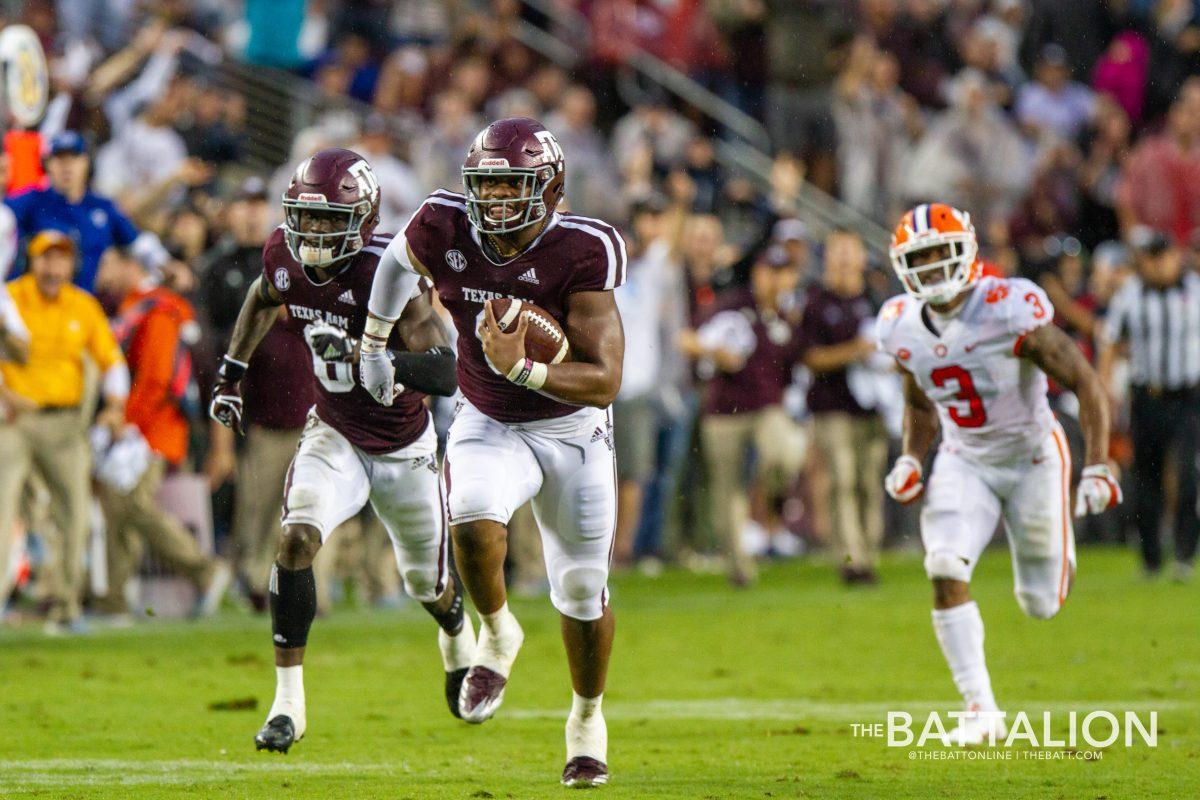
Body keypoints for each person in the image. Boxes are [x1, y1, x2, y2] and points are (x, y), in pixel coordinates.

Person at [361, 118, 626, 788]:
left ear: (549, 187)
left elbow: (605, 380)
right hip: (490, 419)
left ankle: (586, 718)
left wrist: (526, 370)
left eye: (513, 185)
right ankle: (498, 630)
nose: (498, 200)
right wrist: (372, 342)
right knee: (472, 516)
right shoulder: (443, 226)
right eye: (487, 184)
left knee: (580, 593)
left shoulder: (583, 249)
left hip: (573, 430)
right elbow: (394, 265)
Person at [207, 149, 470, 754]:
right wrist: (231, 371)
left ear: (365, 217)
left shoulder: (390, 272)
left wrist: (368, 358)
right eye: (308, 217)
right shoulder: (283, 255)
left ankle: (457, 635)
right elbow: (262, 296)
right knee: (296, 538)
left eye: (330, 220)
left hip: (405, 448)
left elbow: (445, 371)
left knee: (426, 586)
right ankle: (287, 707)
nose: (316, 232)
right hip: (335, 433)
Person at [876, 203, 1121, 745]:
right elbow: (919, 399)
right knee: (942, 562)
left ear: (967, 252)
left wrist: (1099, 463)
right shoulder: (899, 327)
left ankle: (1054, 549)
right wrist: (912, 457)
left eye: (943, 253)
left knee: (1041, 603)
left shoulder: (1010, 308)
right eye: (922, 258)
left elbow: (1085, 382)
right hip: (966, 459)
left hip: (1034, 455)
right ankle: (980, 708)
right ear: (902, 266)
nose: (935, 267)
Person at [0, 231, 129, 632]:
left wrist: (114, 406)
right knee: (2, 513)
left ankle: (69, 606)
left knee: (76, 515)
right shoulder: (10, 297)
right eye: (45, 259)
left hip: (65, 424)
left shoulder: (83, 305)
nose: (54, 268)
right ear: (31, 262)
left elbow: (112, 362)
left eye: (61, 260)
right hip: (14, 420)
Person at [93, 250, 232, 619]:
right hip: (147, 427)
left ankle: (204, 570)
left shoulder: (157, 310)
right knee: (119, 507)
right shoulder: (141, 307)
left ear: (130, 265)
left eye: (109, 263)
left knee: (131, 504)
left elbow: (155, 379)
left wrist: (125, 422)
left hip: (153, 430)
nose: (102, 272)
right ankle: (113, 602)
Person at [680, 246, 807, 586]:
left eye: (784, 273)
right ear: (757, 274)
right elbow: (688, 338)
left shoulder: (788, 317)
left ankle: (771, 500)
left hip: (767, 408)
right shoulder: (735, 303)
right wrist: (715, 352)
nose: (776, 280)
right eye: (770, 271)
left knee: (785, 455)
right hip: (724, 410)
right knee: (727, 488)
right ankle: (739, 567)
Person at [1097, 230, 1200, 581]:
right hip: (1147, 396)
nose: (1155, 265)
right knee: (1146, 478)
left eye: (1161, 256)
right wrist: (1104, 390)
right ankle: (1152, 559)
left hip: (1188, 395)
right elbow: (1109, 341)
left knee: (1188, 474)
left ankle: (1185, 554)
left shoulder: (1196, 290)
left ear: (1174, 256)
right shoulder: (1130, 295)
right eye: (1149, 258)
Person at [801, 229, 887, 584]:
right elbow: (810, 358)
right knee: (843, 479)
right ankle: (851, 559)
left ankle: (868, 551)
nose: (844, 258)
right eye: (837, 251)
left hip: (873, 407)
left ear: (863, 257)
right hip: (831, 405)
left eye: (850, 251)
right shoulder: (817, 302)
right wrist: (856, 351)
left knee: (869, 482)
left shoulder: (876, 298)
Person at [4, 131, 171, 292]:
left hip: (83, 309)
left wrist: (167, 264)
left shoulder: (102, 207)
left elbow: (139, 244)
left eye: (74, 158)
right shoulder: (32, 201)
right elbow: (3, 216)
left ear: (87, 162)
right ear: (47, 164)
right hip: (33, 306)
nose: (67, 166)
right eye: (59, 158)